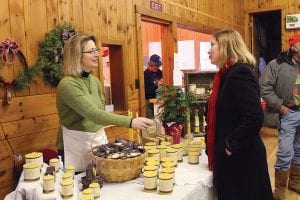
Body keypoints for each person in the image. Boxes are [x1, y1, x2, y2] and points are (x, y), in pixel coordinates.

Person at [56, 34, 153, 172]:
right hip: (73, 146)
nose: (96, 55)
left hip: (97, 141)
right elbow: (94, 114)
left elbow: (101, 112)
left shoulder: (95, 81)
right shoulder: (67, 85)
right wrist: (131, 122)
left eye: (97, 50)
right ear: (77, 56)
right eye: (91, 51)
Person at [206, 29, 273, 200]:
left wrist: (230, 146)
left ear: (226, 46)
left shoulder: (239, 73)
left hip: (243, 160)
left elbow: (254, 116)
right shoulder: (226, 75)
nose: (209, 50)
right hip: (237, 159)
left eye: (212, 44)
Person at [260, 33, 300, 200]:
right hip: (288, 113)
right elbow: (265, 89)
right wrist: (280, 107)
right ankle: (280, 190)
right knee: (285, 152)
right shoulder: (276, 65)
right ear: (294, 46)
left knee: (299, 150)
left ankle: (295, 182)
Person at [144, 54, 163, 118]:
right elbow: (146, 91)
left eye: (158, 65)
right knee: (151, 122)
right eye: (156, 65)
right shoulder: (145, 75)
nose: (157, 67)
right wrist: (157, 85)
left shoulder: (160, 72)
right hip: (149, 102)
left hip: (159, 101)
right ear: (150, 64)